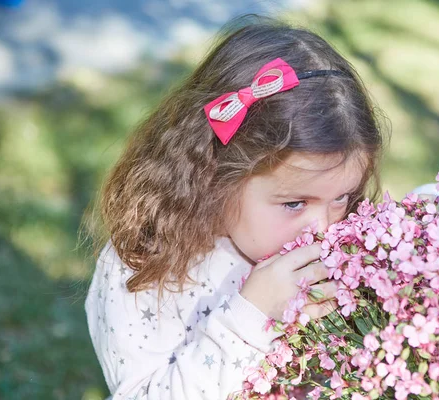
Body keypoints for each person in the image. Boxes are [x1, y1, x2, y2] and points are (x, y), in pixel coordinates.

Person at [85, 15, 386, 400]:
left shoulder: (344, 248)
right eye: (294, 203)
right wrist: (250, 316)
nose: (323, 228)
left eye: (342, 197)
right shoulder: (145, 269)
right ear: (217, 175)